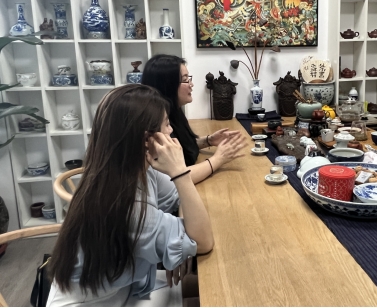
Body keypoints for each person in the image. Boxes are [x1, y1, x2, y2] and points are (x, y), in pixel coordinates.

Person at [47, 85, 214, 306]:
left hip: (125, 286)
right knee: (209, 294)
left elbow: (178, 196)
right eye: (166, 124)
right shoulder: (127, 204)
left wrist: (179, 241)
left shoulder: (129, 169)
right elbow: (203, 241)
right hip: (96, 302)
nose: (171, 130)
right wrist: (179, 171)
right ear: (147, 139)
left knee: (202, 290)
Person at [142, 55, 244, 183]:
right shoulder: (156, 123)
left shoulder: (173, 111)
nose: (191, 84)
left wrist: (208, 140)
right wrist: (218, 159)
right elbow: (172, 178)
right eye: (185, 80)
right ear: (168, 85)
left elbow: (180, 147)